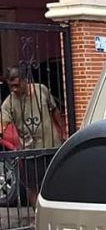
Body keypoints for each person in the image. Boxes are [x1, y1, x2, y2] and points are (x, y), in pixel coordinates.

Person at [0, 67, 66, 205]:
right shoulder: (9, 103)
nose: (13, 89)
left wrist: (63, 133)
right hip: (30, 151)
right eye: (11, 86)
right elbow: (3, 122)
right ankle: (37, 217)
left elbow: (54, 111)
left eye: (17, 85)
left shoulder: (41, 90)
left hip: (51, 145)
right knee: (32, 187)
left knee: (56, 182)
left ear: (25, 81)